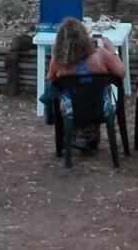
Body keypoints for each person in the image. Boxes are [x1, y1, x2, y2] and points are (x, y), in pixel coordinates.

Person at [46, 17, 125, 152]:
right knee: (97, 90)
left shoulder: (58, 61)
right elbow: (121, 73)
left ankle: (78, 133)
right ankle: (88, 133)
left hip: (72, 111)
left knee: (52, 89)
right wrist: (112, 50)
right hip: (100, 108)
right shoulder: (101, 55)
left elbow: (50, 79)